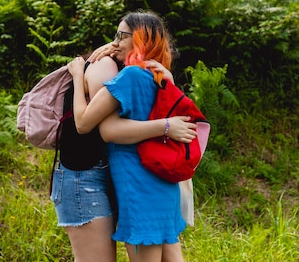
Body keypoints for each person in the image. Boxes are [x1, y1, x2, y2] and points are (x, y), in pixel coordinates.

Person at [51, 33, 197, 262]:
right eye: (116, 35)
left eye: (123, 35)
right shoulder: (110, 66)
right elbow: (92, 125)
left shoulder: (146, 75)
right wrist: (78, 76)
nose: (115, 41)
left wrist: (168, 83)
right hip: (84, 174)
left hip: (121, 177)